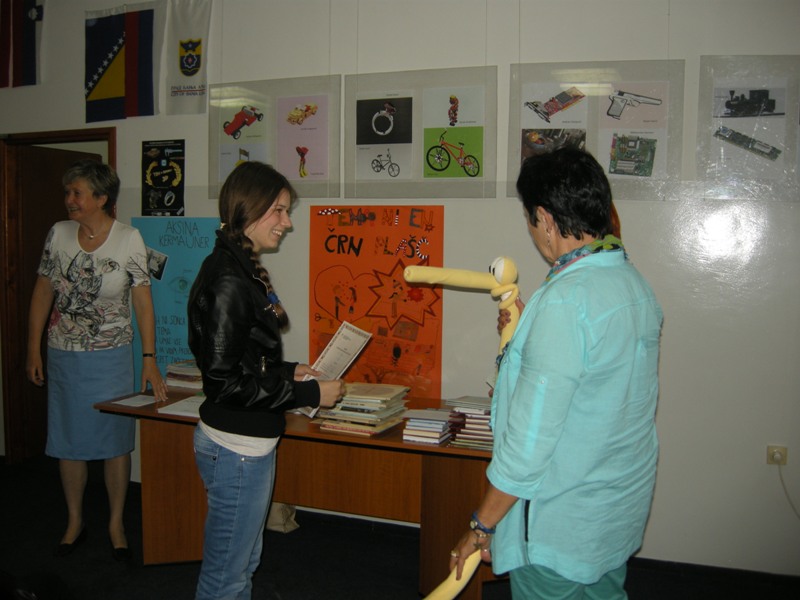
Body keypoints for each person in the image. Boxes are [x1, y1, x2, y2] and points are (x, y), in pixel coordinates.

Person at [448, 148, 663, 599]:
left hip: (561, 522)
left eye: (530, 219)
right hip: (611, 508)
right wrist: (531, 332)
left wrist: (482, 525)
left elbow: (530, 443)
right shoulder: (631, 284)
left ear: (545, 219)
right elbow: (599, 384)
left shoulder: (565, 301)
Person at [187, 161, 345, 600]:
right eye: (278, 210)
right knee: (227, 576)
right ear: (248, 209)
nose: (287, 222)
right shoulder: (228, 279)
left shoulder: (238, 267)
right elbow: (223, 384)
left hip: (245, 444)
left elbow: (242, 358)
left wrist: (288, 370)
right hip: (236, 448)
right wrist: (308, 392)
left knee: (243, 563)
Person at [26, 160, 168, 561]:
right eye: (68, 192)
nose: (69, 200)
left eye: (78, 193)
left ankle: (116, 523)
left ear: (102, 198)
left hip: (111, 357)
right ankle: (75, 521)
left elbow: (143, 302)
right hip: (64, 355)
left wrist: (149, 358)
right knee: (68, 441)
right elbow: (43, 292)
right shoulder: (58, 233)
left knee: (115, 443)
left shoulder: (128, 239)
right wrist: (32, 348)